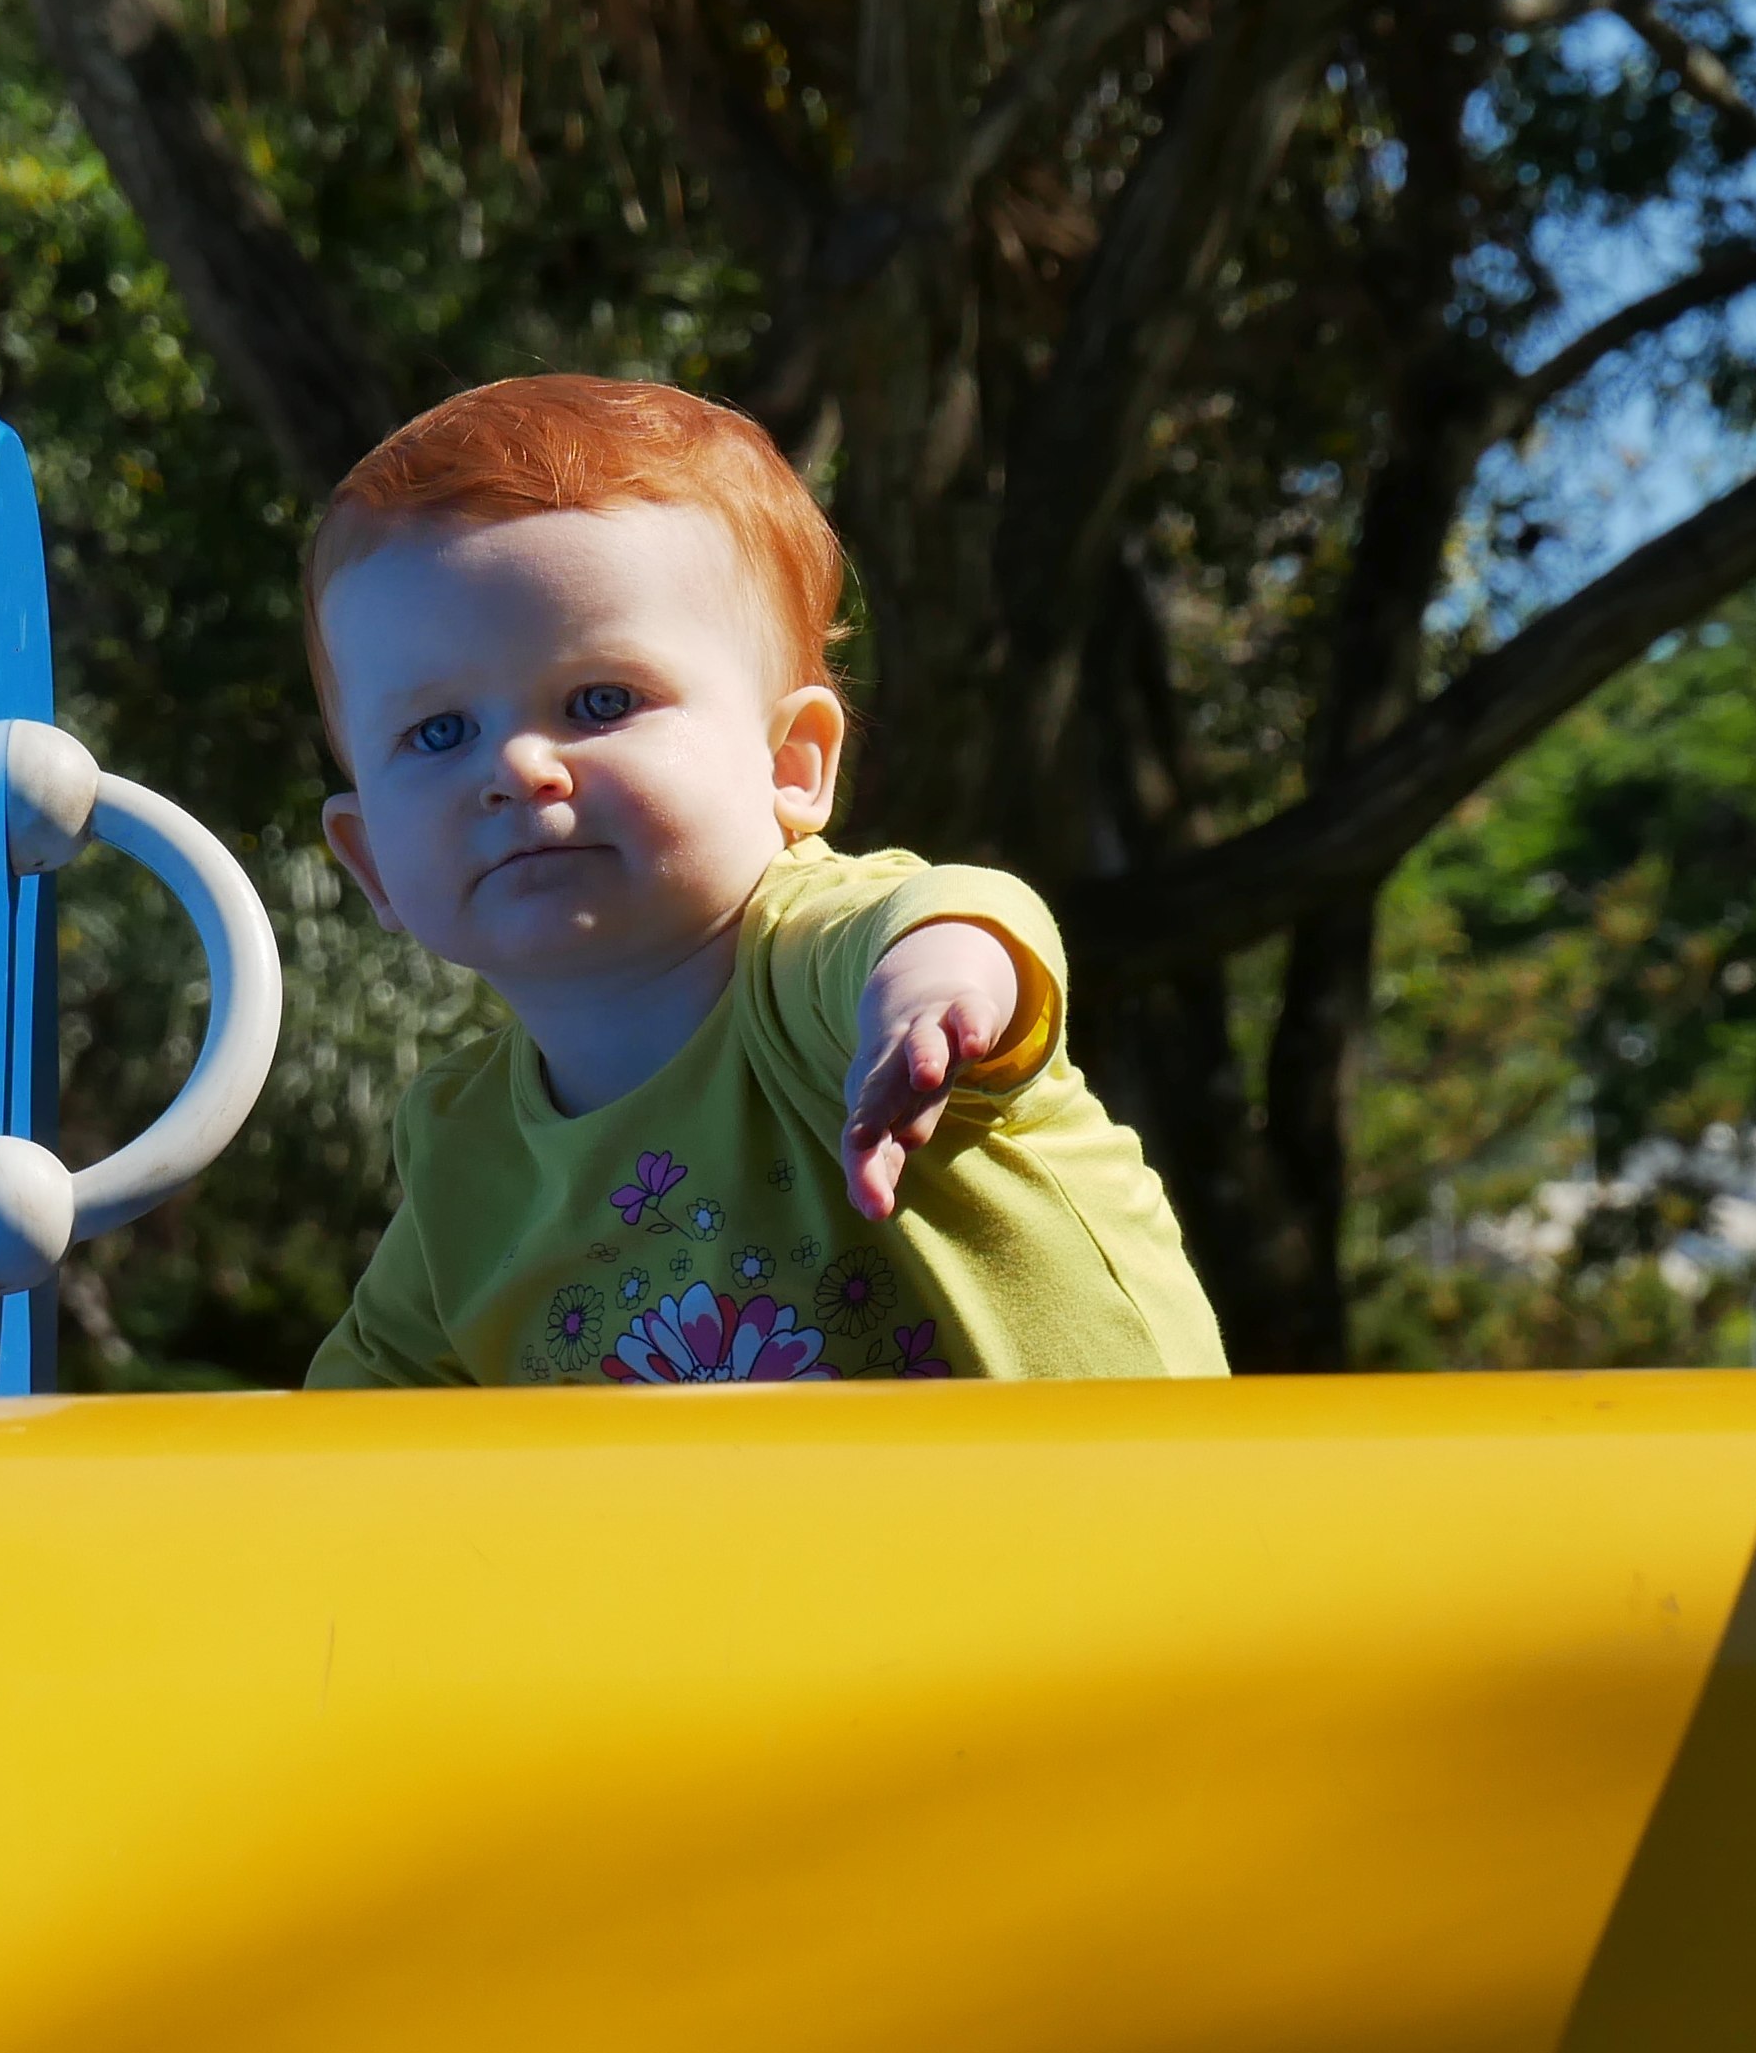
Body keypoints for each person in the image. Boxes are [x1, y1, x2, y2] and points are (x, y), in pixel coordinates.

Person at [300, 375, 1230, 1388]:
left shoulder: (810, 973)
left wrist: (931, 994)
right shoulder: (466, 1152)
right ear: (369, 859)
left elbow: (943, 914)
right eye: (439, 731)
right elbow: (352, 1418)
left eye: (600, 700)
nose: (520, 767)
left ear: (791, 763)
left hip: (1119, 1480)